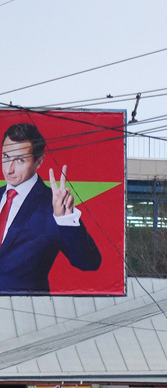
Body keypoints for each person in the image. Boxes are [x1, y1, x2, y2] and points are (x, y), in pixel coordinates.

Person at [0, 122, 101, 294]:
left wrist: (65, 219)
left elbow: (89, 262)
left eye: (20, 160)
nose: (9, 169)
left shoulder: (53, 205)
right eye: (6, 156)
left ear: (39, 161)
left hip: (28, 313)